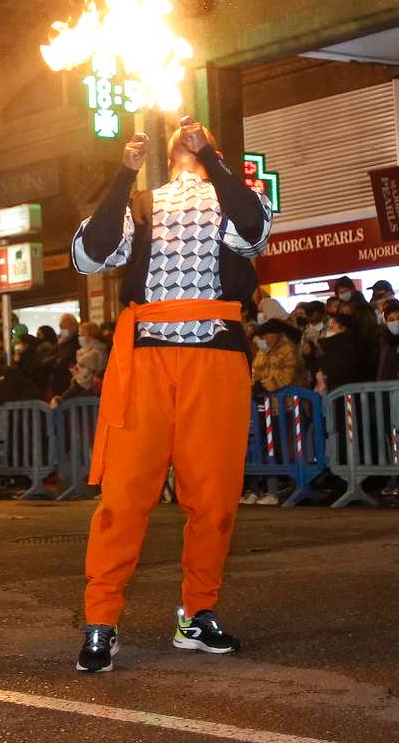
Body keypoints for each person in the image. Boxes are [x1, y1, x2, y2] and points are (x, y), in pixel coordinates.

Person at [69, 116, 272, 674]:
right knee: (124, 496)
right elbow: (91, 254)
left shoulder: (234, 198)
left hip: (215, 359)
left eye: (202, 145)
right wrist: (122, 174)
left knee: (214, 499)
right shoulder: (140, 203)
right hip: (148, 359)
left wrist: (213, 158)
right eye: (186, 144)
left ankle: (197, 613)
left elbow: (254, 233)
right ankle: (101, 621)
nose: (188, 146)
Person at [252, 320, 303, 393]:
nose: (263, 339)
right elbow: (255, 370)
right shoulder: (263, 352)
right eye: (261, 337)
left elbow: (287, 376)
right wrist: (254, 383)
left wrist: (264, 386)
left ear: (275, 335)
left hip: (290, 400)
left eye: (265, 335)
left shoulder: (289, 351)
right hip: (270, 400)